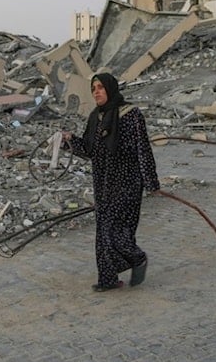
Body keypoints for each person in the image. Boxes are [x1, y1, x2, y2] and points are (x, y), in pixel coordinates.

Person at [62, 72, 160, 291]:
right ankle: (108, 280)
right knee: (103, 233)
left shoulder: (131, 114)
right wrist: (68, 141)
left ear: (111, 88)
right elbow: (89, 150)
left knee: (114, 232)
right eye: (93, 88)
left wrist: (151, 182)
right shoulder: (96, 117)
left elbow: (143, 149)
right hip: (103, 185)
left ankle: (138, 258)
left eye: (100, 87)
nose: (96, 92)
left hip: (127, 183)